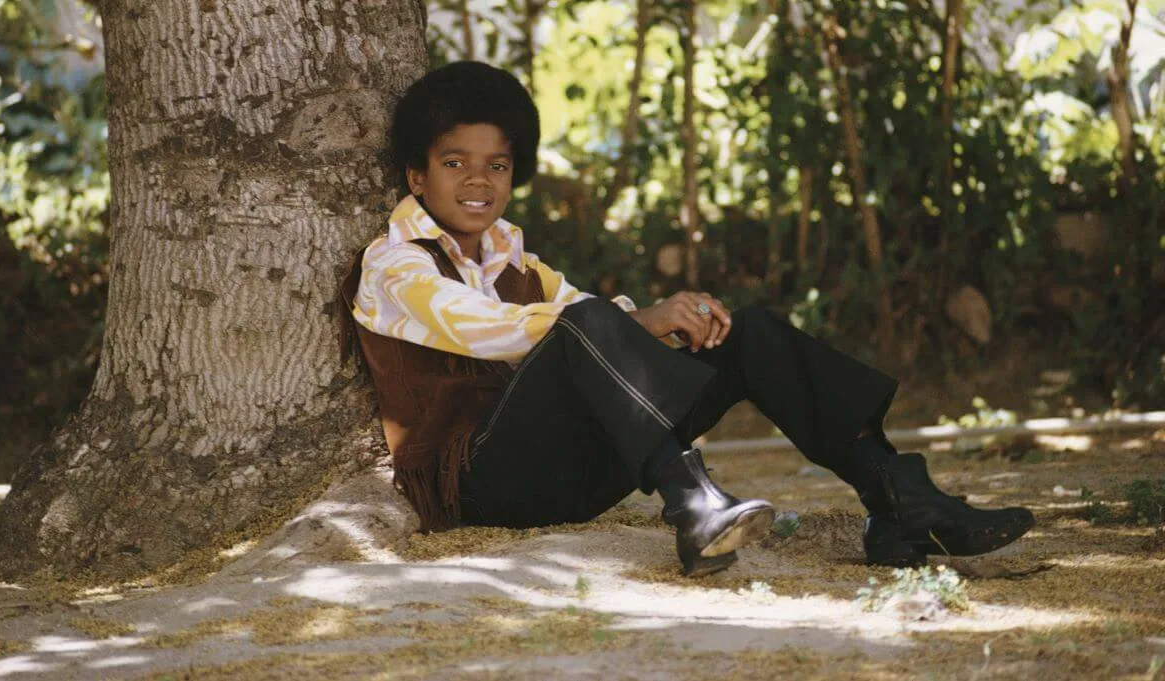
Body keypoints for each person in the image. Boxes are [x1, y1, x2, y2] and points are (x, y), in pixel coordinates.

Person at [339, 61, 1033, 577]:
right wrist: (640, 319)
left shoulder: (516, 258)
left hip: (568, 473)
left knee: (749, 331)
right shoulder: (393, 266)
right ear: (416, 177)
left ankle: (900, 497)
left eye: (497, 164)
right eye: (455, 163)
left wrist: (670, 321)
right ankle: (695, 505)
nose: (480, 182)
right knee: (579, 323)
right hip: (477, 484)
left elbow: (595, 325)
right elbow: (496, 328)